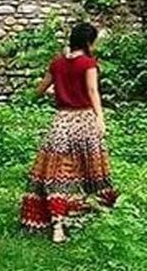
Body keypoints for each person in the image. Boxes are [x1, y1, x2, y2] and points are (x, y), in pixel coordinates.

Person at [19, 22, 117, 243]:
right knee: (90, 170)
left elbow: (40, 89)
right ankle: (90, 213)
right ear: (88, 42)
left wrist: (56, 89)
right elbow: (92, 91)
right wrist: (101, 118)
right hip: (84, 121)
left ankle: (57, 227)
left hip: (61, 123)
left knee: (57, 174)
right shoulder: (88, 64)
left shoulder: (56, 64)